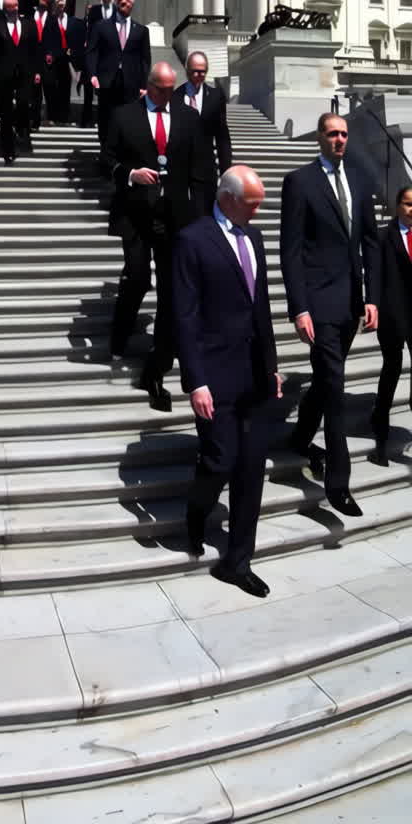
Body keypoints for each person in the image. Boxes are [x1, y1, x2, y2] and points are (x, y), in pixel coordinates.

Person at [173, 166, 281, 598]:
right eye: (253, 202)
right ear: (227, 197)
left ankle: (237, 561)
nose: (258, 210)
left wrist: (272, 365)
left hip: (254, 374)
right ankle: (195, 513)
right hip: (215, 375)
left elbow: (262, 307)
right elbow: (184, 316)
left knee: (252, 469)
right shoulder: (192, 240)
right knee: (219, 460)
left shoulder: (253, 238)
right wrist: (195, 381)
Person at [280, 112, 380, 515]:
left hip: (352, 302)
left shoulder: (359, 179)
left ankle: (301, 435)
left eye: (343, 134)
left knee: (325, 380)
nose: (339, 140)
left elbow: (371, 242)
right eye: (331, 134)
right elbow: (290, 250)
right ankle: (339, 484)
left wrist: (372, 296)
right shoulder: (300, 182)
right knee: (334, 390)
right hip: (319, 304)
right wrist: (298, 307)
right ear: (319, 138)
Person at [102, 60, 206, 406]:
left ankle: (155, 372)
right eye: (161, 89)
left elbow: (201, 169)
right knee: (137, 276)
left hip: (173, 216)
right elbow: (106, 159)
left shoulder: (188, 118)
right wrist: (131, 174)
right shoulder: (123, 115)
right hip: (135, 213)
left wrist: (202, 217)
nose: (167, 95)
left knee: (173, 295)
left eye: (170, 88)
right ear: (149, 86)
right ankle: (121, 328)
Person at [369, 185, 412, 466]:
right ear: (397, 206)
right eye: (407, 204)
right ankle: (380, 430)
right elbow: (374, 274)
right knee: (392, 368)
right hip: (393, 316)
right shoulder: (384, 235)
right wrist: (373, 306)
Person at [87, 0, 151, 145]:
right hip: (107, 81)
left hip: (131, 84)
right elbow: (92, 52)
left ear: (132, 6)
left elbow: (145, 60)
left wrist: (144, 85)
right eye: (121, 0)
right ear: (116, 2)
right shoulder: (101, 26)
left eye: (128, 1)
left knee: (129, 118)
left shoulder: (141, 31)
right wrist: (93, 74)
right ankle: (105, 151)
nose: (124, 3)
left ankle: (125, 151)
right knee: (106, 117)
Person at [172, 51, 232, 212]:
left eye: (203, 71)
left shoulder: (215, 96)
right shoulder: (175, 97)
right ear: (187, 70)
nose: (199, 75)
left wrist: (225, 171)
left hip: (206, 169)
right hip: (181, 170)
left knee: (206, 215)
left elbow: (222, 136)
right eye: (195, 71)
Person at [0, 0, 40, 163]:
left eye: (15, 6)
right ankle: (7, 148)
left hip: (25, 74)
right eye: (9, 7)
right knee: (5, 111)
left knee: (23, 105)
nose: (13, 9)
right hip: (3, 74)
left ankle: (23, 137)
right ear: (4, 8)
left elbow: (35, 49)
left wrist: (37, 71)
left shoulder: (29, 24)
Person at [30, 0, 53, 128]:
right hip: (33, 56)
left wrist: (51, 53)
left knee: (49, 89)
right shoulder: (31, 16)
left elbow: (55, 39)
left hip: (47, 59)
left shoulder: (52, 18)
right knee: (35, 91)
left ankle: (49, 116)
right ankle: (35, 119)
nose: (43, 1)